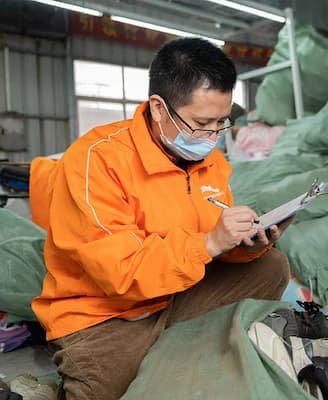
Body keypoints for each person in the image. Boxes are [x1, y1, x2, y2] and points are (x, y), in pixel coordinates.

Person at [30, 38, 291, 400]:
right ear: (158, 108)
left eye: (222, 122)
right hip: (106, 314)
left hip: (175, 295)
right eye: (202, 123)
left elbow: (209, 250)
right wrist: (210, 242)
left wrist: (246, 245)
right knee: (113, 393)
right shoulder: (96, 160)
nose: (213, 137)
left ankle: (180, 349)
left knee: (271, 267)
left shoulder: (211, 162)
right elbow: (122, 273)